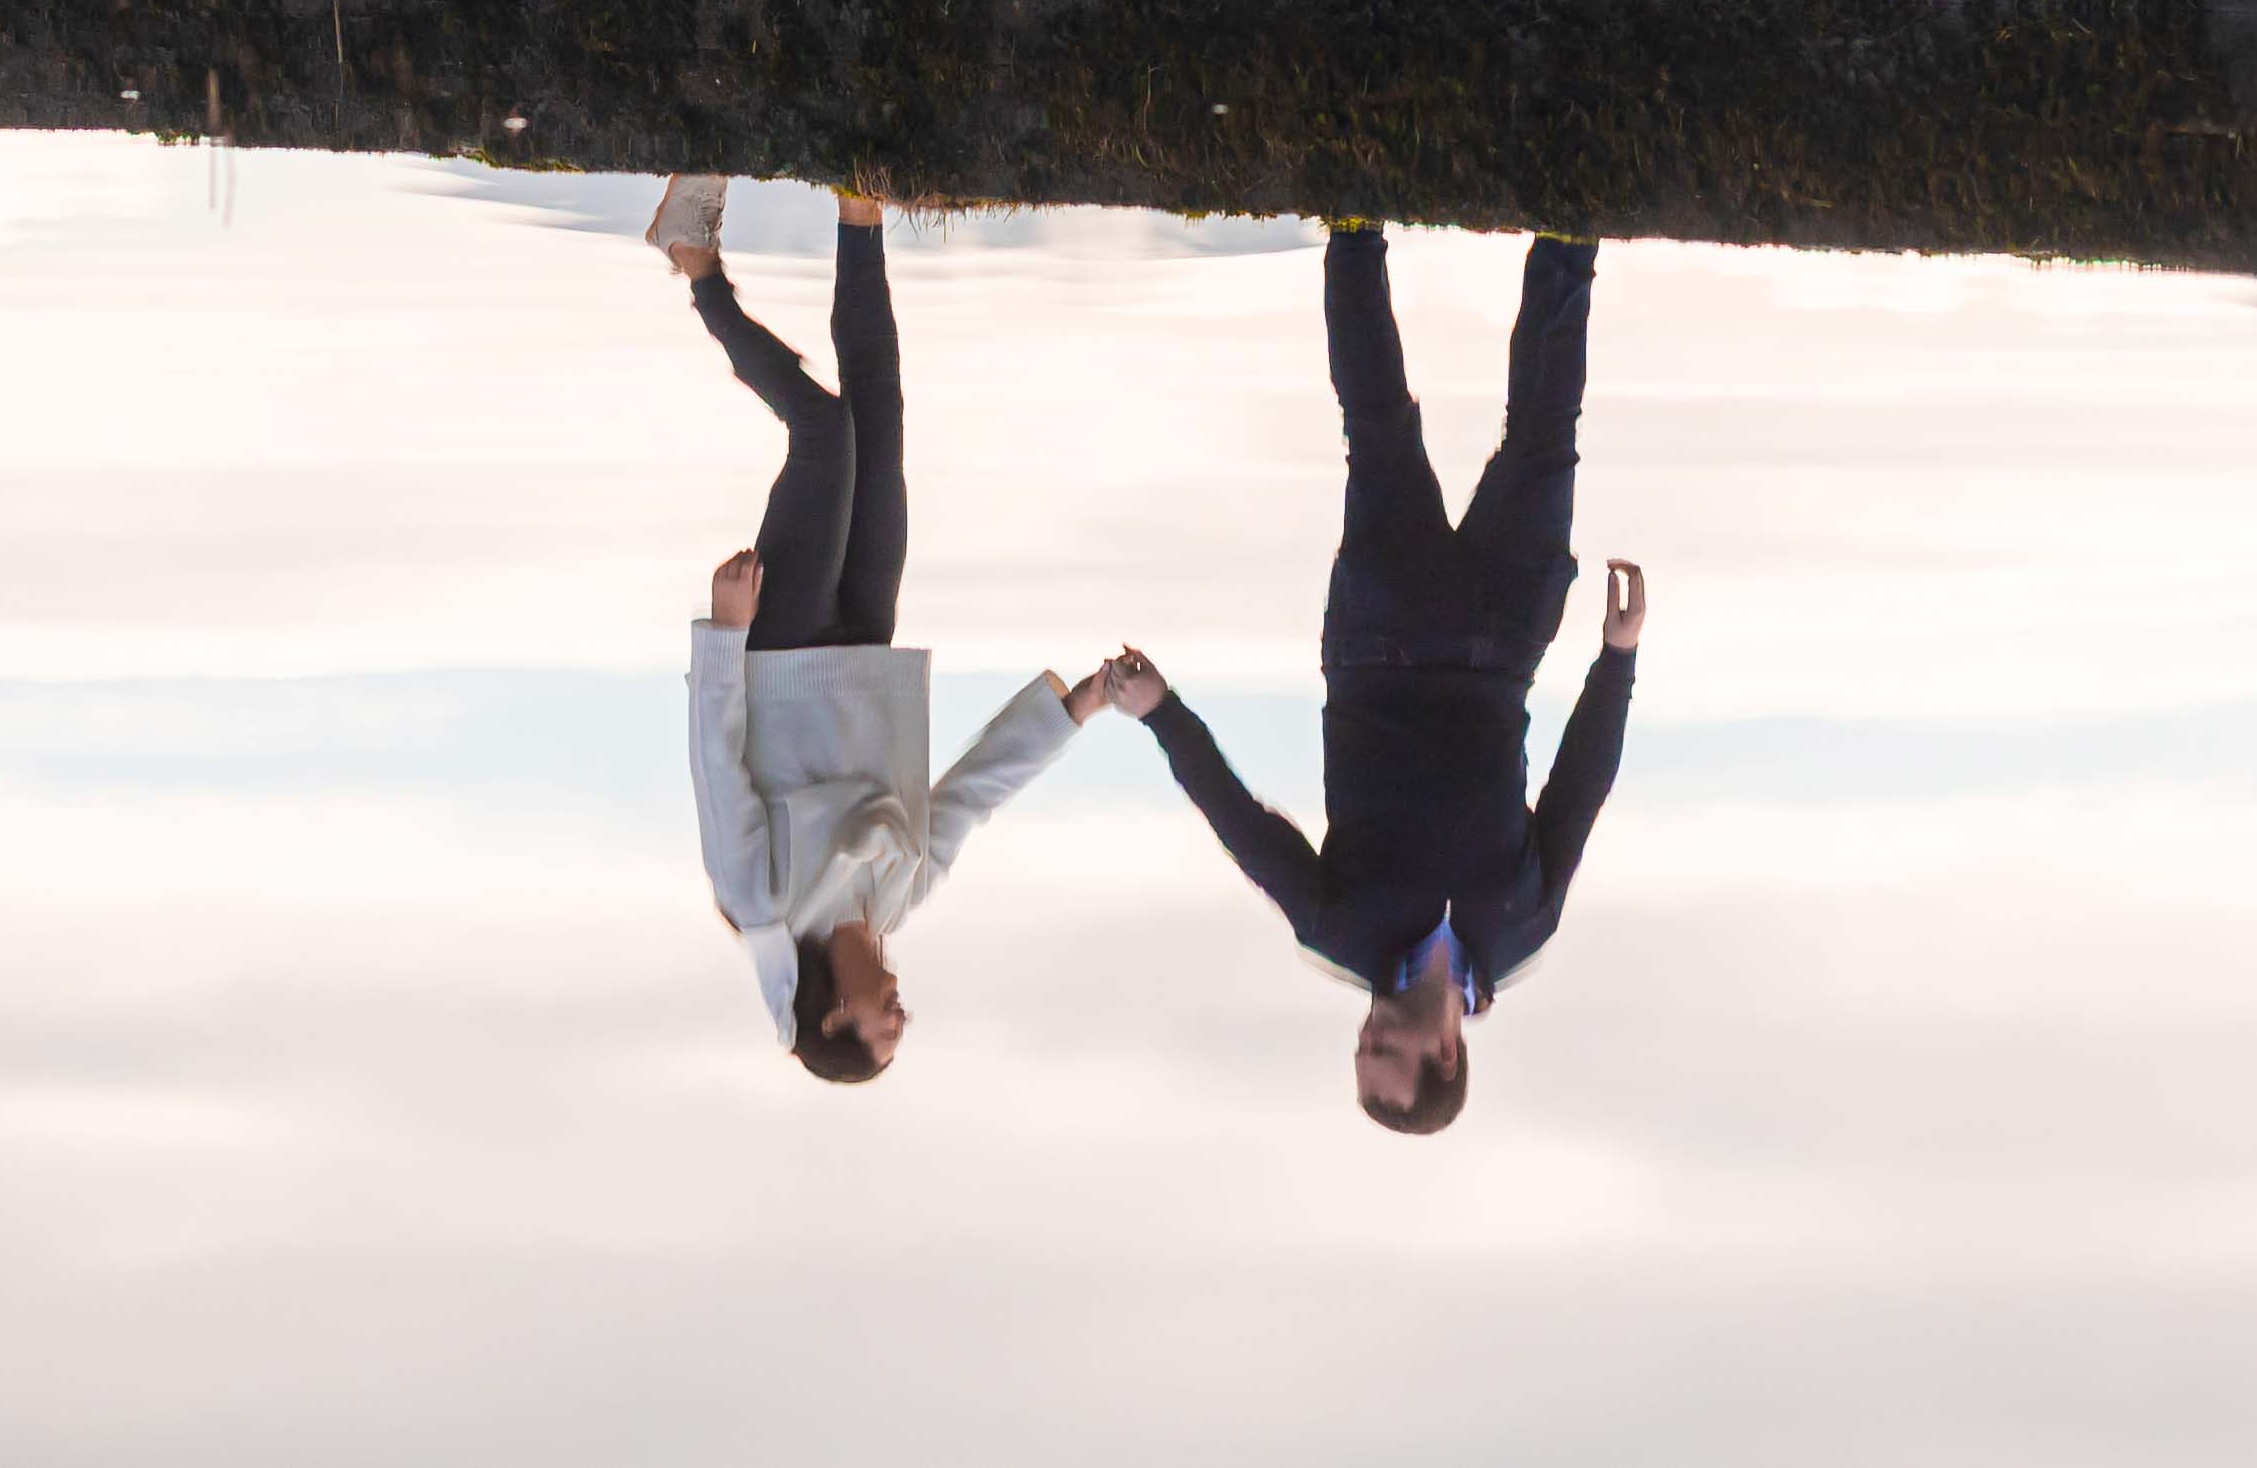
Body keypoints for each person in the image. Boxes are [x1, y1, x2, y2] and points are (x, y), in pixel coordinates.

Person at [1100, 226, 1644, 1133]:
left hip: (1380, 634)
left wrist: (1165, 715)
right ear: (1444, 1055)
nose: (1363, 1045)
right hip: (1502, 644)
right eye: (1384, 1060)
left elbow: (1243, 827)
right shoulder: (1520, 928)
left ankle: (1353, 222)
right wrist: (1617, 660)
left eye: (1360, 1060)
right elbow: (1578, 789)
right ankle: (1569, 226)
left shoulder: (1337, 929)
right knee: (1547, 439)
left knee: (1378, 425)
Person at [657, 173, 1109, 1081]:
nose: (902, 1012)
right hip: (866, 647)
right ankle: (860, 208)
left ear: (832, 1018)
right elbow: (971, 798)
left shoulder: (764, 904)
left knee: (824, 433)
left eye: (883, 1027)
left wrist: (722, 633)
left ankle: (697, 268)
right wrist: (1079, 709)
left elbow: (717, 764)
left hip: (778, 653)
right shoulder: (896, 899)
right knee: (881, 422)